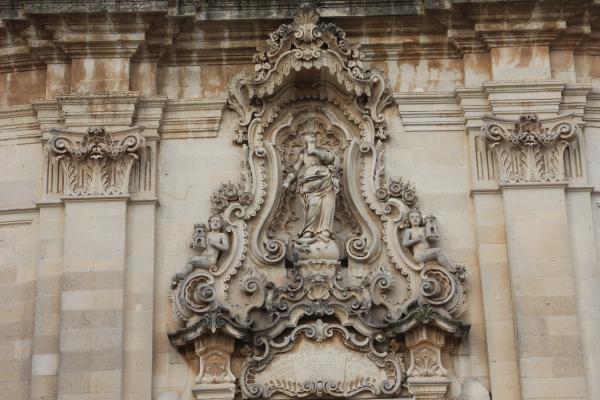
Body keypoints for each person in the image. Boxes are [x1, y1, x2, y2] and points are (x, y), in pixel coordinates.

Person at [282, 131, 339, 242]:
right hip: (309, 183)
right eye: (308, 135)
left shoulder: (321, 151)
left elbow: (330, 158)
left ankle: (325, 230)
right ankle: (308, 230)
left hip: (325, 179)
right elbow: (295, 169)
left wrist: (315, 152)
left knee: (326, 205)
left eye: (312, 135)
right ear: (305, 139)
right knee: (314, 203)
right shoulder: (303, 154)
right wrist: (287, 181)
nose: (311, 135)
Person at [174, 215, 230, 282]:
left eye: (218, 221)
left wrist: (214, 243)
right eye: (213, 221)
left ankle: (183, 274)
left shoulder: (222, 235)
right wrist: (193, 245)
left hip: (211, 260)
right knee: (190, 259)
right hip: (203, 258)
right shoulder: (206, 234)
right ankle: (184, 274)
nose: (215, 222)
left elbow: (226, 247)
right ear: (209, 223)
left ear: (221, 224)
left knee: (191, 260)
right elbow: (201, 247)